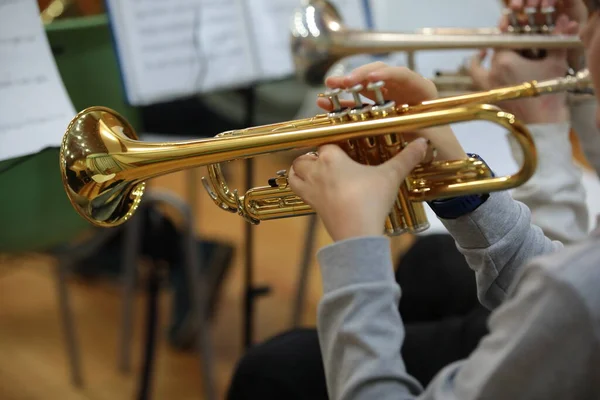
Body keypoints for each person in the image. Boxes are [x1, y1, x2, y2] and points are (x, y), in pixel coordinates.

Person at [225, 2, 596, 399]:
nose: (583, 37)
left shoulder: (573, 292)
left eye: (594, 15)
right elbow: (539, 279)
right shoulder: (570, 286)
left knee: (273, 370)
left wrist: (356, 242)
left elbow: (555, 290)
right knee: (428, 262)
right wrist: (451, 164)